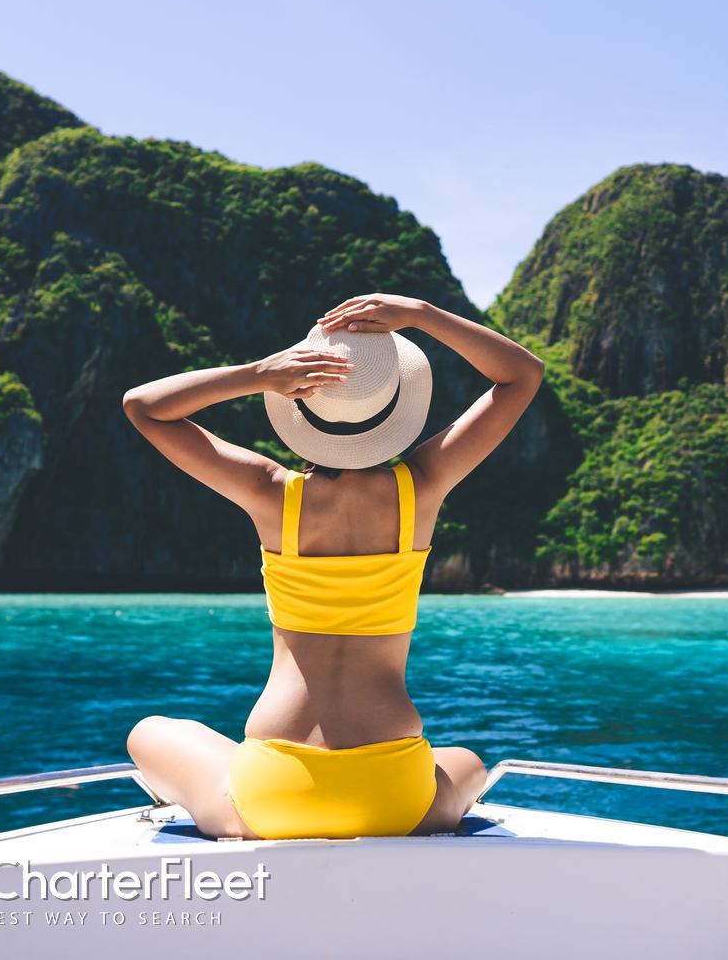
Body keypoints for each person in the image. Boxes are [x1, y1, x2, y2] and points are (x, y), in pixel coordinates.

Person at [121, 292, 545, 839]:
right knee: (465, 762)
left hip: (277, 795)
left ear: (300, 408)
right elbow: (522, 376)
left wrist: (260, 374)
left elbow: (143, 406)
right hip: (392, 794)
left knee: (151, 731)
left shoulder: (270, 492)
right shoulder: (422, 488)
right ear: (397, 407)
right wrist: (422, 314)